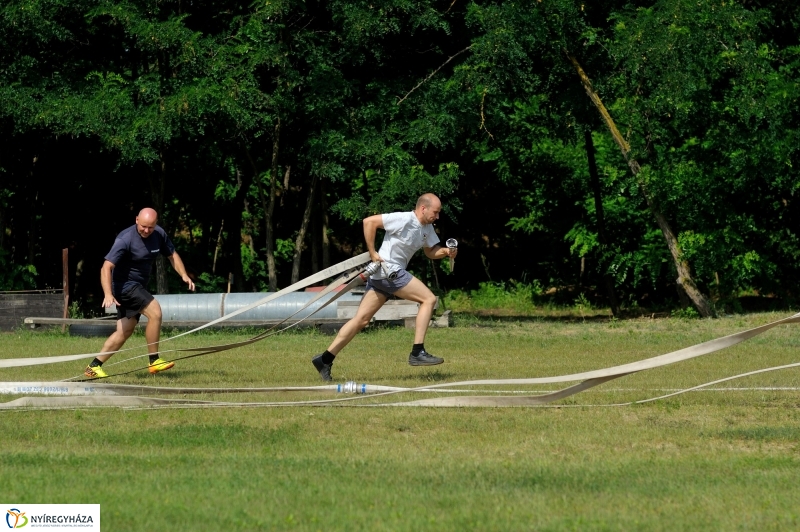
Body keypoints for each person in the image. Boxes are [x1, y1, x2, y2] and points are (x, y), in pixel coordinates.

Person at [311, 193, 457, 381]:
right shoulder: (404, 219)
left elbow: (430, 251)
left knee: (361, 320)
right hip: (389, 271)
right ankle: (417, 351)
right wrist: (372, 253)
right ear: (423, 208)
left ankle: (324, 359)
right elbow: (369, 222)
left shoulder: (427, 228)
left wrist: (446, 251)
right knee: (428, 299)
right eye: (435, 212)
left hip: (383, 277)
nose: (437, 217)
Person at [84, 208, 195, 379]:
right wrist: (107, 293)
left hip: (137, 287)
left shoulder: (159, 234)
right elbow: (106, 267)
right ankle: (154, 360)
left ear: (156, 224)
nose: (146, 230)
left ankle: (94, 366)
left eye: (150, 227)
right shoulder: (125, 239)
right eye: (143, 226)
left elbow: (172, 255)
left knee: (124, 331)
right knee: (155, 312)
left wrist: (184, 275)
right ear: (136, 220)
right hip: (125, 286)